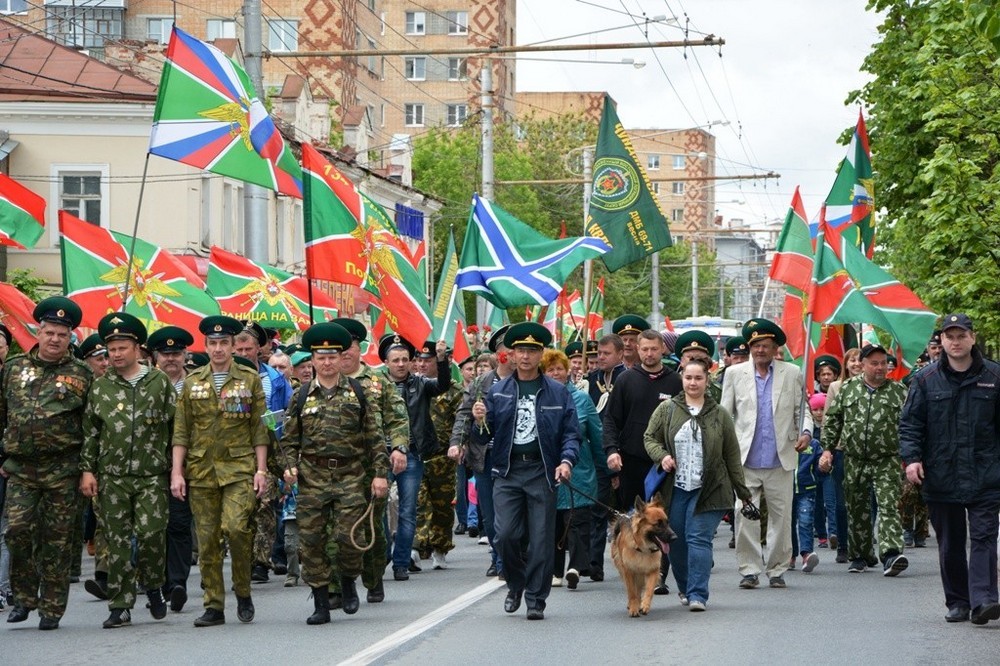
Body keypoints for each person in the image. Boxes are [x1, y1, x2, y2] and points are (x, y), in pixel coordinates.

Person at [472, 322, 580, 620]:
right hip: (507, 473)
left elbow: (571, 433)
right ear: (511, 354)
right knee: (505, 535)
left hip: (542, 472)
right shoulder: (499, 392)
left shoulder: (557, 392)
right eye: (520, 350)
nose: (526, 357)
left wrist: (566, 461)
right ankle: (516, 585)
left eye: (532, 351)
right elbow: (482, 436)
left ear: (540, 354)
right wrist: (479, 419)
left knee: (542, 540)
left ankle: (535, 599)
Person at [283, 322, 388, 625]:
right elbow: (288, 440)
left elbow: (374, 437)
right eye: (320, 357)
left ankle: (347, 581)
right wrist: (288, 466)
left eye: (332, 357)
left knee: (349, 538)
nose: (326, 363)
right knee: (312, 540)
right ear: (312, 360)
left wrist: (380, 474)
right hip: (312, 477)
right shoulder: (301, 396)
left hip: (350, 475)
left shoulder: (357, 392)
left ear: (341, 359)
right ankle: (320, 602)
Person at [900, 313, 1000, 624]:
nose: (955, 342)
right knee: (951, 542)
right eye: (949, 337)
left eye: (961, 336)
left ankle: (984, 600)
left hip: (986, 473)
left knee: (984, 537)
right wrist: (912, 459)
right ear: (942, 341)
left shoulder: (995, 377)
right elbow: (911, 424)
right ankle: (958, 601)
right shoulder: (925, 380)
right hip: (941, 473)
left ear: (972, 338)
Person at [171, 315, 269, 627]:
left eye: (223, 343)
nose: (218, 349)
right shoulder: (192, 381)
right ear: (205, 346)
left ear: (232, 345)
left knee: (237, 529)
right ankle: (214, 604)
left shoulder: (249, 378)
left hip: (239, 468)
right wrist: (177, 472)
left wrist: (262, 470)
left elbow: (260, 429)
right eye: (212, 343)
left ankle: (243, 590)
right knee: (208, 540)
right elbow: (181, 431)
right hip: (200, 471)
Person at [80, 312, 176, 629]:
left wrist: (177, 470)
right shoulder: (100, 387)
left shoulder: (159, 383)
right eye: (112, 349)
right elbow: (91, 432)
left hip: (152, 475)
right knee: (117, 541)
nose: (116, 355)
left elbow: (177, 429)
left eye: (123, 348)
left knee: (151, 535)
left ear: (138, 348)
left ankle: (153, 587)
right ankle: (120, 605)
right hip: (112, 476)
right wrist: (88, 471)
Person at [2, 297, 91, 630]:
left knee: (56, 539)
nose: (55, 339)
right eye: (49, 332)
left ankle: (52, 608)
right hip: (20, 469)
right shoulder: (13, 369)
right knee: (16, 532)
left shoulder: (80, 373)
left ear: (70, 338)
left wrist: (86, 469)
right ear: (38, 332)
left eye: (62, 335)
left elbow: (89, 426)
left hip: (62, 469)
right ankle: (24, 598)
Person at [644, 356, 751, 611]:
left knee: (699, 539)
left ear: (707, 380)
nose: (693, 383)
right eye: (688, 377)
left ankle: (698, 595)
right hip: (675, 489)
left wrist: (743, 493)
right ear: (682, 378)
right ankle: (685, 586)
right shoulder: (667, 409)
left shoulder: (720, 415)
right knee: (676, 541)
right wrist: (663, 457)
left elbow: (732, 456)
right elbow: (650, 438)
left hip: (711, 489)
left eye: (698, 378)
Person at [721, 318, 812, 590]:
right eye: (756, 345)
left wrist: (806, 434)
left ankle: (776, 569)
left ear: (775, 349)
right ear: (749, 347)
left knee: (781, 519)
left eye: (766, 346)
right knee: (744, 514)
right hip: (745, 460)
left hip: (780, 459)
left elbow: (802, 412)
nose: (761, 350)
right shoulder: (735, 374)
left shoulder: (792, 372)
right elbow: (726, 416)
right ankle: (749, 570)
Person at [330, 318, 407, 606]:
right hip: (334, 468)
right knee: (336, 527)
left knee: (372, 525)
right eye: (339, 348)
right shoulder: (323, 382)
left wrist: (398, 448)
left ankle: (373, 579)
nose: (344, 353)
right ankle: (338, 586)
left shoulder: (378, 382)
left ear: (358, 347)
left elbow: (397, 418)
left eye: (348, 347)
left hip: (370, 465)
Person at [604, 328, 682, 594]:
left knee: (661, 522)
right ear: (637, 350)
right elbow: (611, 420)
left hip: (665, 464)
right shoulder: (626, 380)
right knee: (635, 521)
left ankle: (659, 574)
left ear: (663, 349)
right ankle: (633, 567)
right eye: (644, 349)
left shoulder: (676, 382)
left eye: (654, 349)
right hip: (632, 462)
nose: (649, 354)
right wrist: (612, 451)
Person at [821, 344, 909, 577]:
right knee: (857, 508)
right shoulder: (848, 389)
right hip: (854, 458)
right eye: (875, 363)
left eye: (884, 363)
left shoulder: (898, 391)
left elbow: (910, 426)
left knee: (888, 505)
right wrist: (827, 449)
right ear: (863, 365)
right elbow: (833, 421)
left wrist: (911, 457)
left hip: (887, 459)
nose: (880, 368)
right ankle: (860, 555)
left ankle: (891, 554)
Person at [379, 334, 450, 581]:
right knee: (379, 508)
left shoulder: (420, 384)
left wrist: (441, 359)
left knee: (408, 511)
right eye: (395, 360)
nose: (401, 364)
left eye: (405, 360)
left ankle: (401, 562)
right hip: (382, 455)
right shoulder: (376, 386)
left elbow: (442, 385)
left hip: (412, 454)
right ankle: (382, 554)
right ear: (386, 363)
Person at [449, 326, 514, 578]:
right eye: (505, 350)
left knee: (511, 511)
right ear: (497, 355)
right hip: (484, 455)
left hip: (512, 455)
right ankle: (498, 558)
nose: (510, 355)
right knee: (489, 511)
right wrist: (457, 442)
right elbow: (463, 415)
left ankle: (512, 556)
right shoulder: (481, 383)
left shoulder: (525, 379)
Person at [540, 349, 605, 590]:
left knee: (577, 520)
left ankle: (575, 567)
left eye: (559, 368)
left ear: (568, 371)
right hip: (549, 470)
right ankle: (555, 569)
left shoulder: (581, 399)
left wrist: (607, 467)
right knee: (554, 522)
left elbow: (596, 435)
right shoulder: (540, 398)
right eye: (550, 369)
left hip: (580, 469)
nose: (556, 373)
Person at [235, 321, 292, 584]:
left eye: (249, 348)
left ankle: (260, 561)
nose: (244, 353)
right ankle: (241, 559)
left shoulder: (276, 379)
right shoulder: (228, 377)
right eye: (240, 348)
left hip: (269, 449)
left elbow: (290, 414)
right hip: (236, 451)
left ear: (259, 348)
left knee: (265, 504)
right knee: (240, 509)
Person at [147, 325, 196, 612]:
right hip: (149, 466)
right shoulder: (145, 385)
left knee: (179, 524)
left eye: (176, 353)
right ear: (156, 357)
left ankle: (176, 583)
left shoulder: (195, 385)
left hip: (188, 467)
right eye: (165, 354)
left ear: (185, 355)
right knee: (152, 528)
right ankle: (155, 583)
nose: (171, 359)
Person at [414, 341, 461, 571]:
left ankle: (440, 547)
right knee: (417, 501)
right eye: (419, 360)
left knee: (442, 505)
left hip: (443, 457)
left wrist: (459, 445)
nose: (422, 364)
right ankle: (416, 546)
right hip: (418, 454)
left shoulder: (453, 390)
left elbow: (461, 422)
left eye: (428, 360)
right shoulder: (412, 386)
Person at [822, 347, 861, 564]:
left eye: (859, 360)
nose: (856, 364)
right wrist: (828, 449)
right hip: (842, 449)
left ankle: (862, 545)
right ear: (845, 365)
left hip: (866, 452)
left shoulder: (873, 386)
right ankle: (843, 546)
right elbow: (829, 419)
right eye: (851, 360)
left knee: (865, 501)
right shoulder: (837, 387)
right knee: (841, 502)